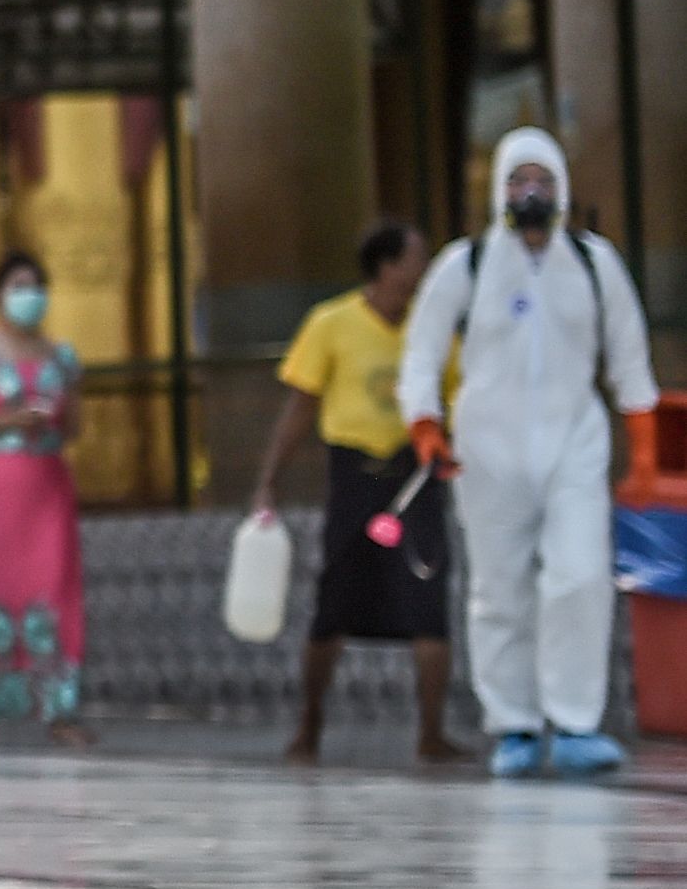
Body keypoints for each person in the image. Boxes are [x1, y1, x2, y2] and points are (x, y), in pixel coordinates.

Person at [397, 125, 660, 780]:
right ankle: (514, 723)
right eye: (518, 181)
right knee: (499, 587)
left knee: (578, 576)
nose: (531, 192)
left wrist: (645, 456)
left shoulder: (597, 265)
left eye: (541, 180)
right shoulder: (467, 266)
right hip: (488, 449)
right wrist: (427, 430)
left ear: (561, 186)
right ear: (499, 192)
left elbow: (630, 363)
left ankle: (573, 722)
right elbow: (421, 356)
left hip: (575, 440)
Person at [250, 220, 457, 766]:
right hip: (354, 478)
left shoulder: (433, 330)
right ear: (386, 267)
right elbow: (300, 407)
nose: (424, 271)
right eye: (415, 259)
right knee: (333, 606)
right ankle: (309, 727)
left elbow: (462, 398)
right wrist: (269, 477)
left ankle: (431, 733)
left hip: (415, 476)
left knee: (428, 599)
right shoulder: (331, 323)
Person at [0, 251, 88, 744]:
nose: (30, 295)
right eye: (18, 285)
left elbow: (74, 427)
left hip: (47, 485)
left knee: (54, 589)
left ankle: (60, 710)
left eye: (37, 285)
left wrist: (58, 411)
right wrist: (8, 421)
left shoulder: (61, 356)